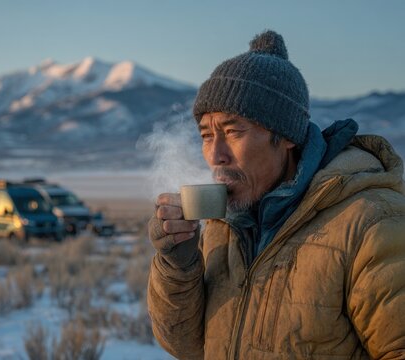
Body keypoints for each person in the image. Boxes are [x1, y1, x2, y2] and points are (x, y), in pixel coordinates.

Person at [147, 30, 405, 359]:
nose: (215, 155)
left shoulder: (372, 222)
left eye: (232, 131)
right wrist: (178, 264)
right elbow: (187, 346)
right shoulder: (224, 225)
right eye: (206, 135)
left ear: (285, 136)